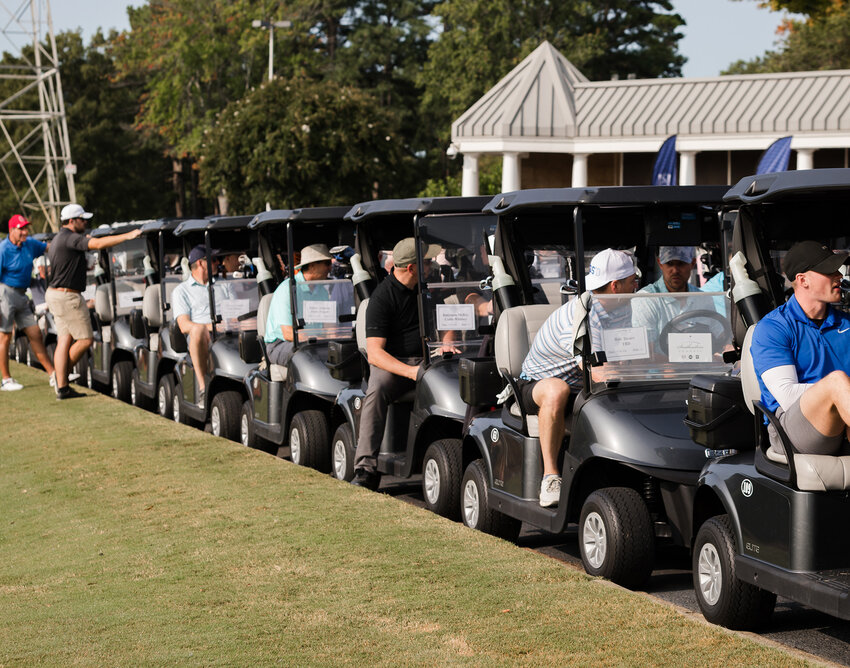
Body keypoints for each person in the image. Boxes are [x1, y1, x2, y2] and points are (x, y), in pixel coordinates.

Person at [518, 249, 637, 507]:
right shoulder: (580, 317)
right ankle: (551, 477)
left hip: (582, 384)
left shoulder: (621, 306)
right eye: (632, 281)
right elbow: (598, 372)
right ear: (616, 286)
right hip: (537, 384)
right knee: (556, 390)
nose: (636, 285)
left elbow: (627, 356)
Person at [351, 237, 441, 490]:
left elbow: (444, 321)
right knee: (377, 389)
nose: (431, 265)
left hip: (428, 359)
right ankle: (365, 467)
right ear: (412, 268)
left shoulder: (427, 289)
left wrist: (447, 342)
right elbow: (375, 355)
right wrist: (412, 372)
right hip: (394, 364)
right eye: (426, 262)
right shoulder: (382, 298)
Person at [751, 240, 850, 456]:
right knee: (837, 382)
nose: (839, 276)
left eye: (838, 270)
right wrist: (838, 391)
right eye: (829, 271)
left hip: (843, 423)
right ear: (803, 280)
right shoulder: (773, 328)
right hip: (791, 430)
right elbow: (786, 395)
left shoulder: (846, 324)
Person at [46, 204, 141, 399]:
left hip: (56, 294)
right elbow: (98, 245)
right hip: (68, 296)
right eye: (82, 219)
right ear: (72, 221)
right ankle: (60, 377)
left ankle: (62, 386)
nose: (86, 222)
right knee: (85, 339)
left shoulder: (59, 238)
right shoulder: (72, 238)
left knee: (64, 339)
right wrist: (127, 236)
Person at [170, 244, 233, 407]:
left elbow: (235, 311)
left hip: (228, 330)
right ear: (200, 263)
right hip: (202, 335)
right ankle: (202, 386)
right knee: (197, 329)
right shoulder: (181, 291)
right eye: (213, 260)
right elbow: (184, 325)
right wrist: (212, 327)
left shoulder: (224, 284)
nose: (217, 263)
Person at [0, 214, 55, 390]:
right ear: (11, 230)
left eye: (25, 228)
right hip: (5, 293)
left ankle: (53, 374)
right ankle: (6, 379)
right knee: (5, 336)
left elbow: (49, 248)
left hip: (23, 295)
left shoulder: (30, 244)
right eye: (21, 228)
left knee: (35, 334)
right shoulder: (3, 249)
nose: (25, 232)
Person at [264, 244, 333, 366]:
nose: (330, 268)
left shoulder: (322, 290)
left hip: (313, 342)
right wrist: (318, 338)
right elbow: (288, 333)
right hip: (281, 344)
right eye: (327, 263)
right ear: (312, 266)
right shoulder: (287, 288)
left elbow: (328, 326)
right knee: (307, 355)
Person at [631, 245, 700, 345]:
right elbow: (647, 354)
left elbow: (718, 336)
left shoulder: (703, 297)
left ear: (692, 263)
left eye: (681, 263)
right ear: (660, 263)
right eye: (669, 263)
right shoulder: (645, 300)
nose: (675, 270)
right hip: (662, 361)